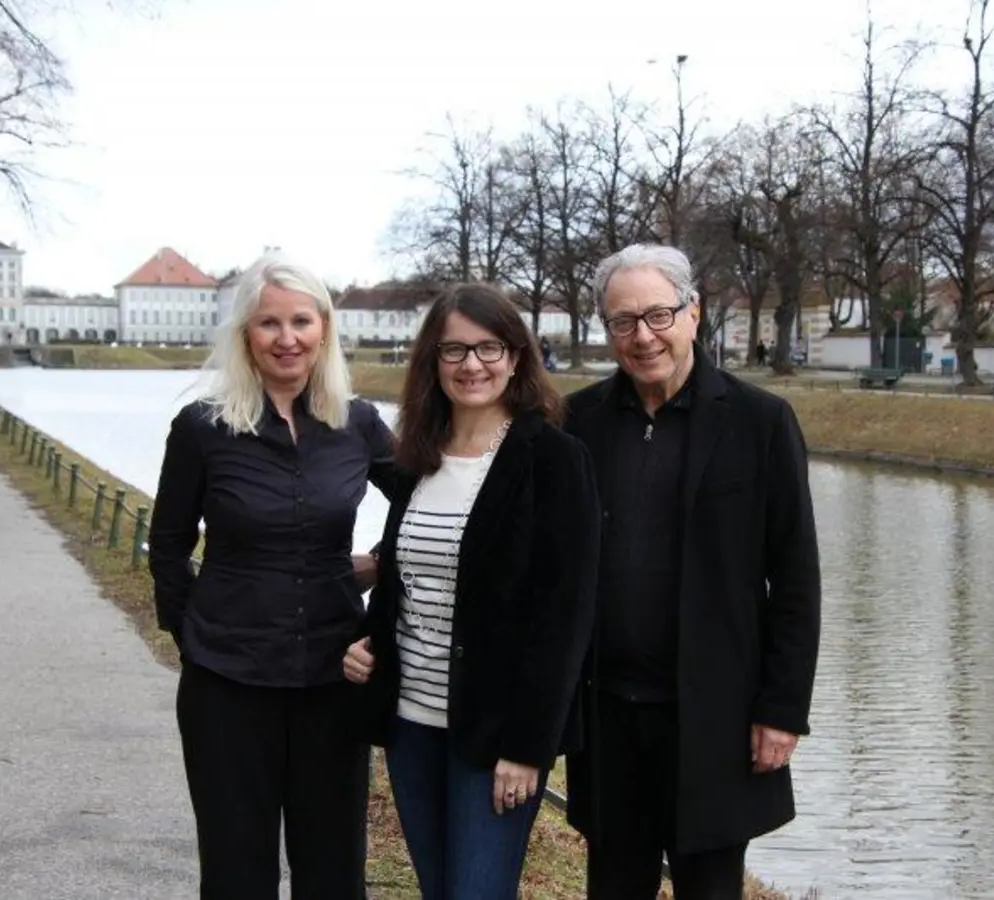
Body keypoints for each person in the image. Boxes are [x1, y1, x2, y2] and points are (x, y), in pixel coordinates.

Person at [563, 244, 822, 899]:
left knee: (709, 887)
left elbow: (795, 577)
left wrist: (782, 710)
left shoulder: (760, 422)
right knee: (613, 885)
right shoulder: (578, 422)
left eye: (658, 315)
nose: (642, 336)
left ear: (693, 314)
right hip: (608, 719)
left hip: (715, 719)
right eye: (623, 321)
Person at [147, 254, 394, 900]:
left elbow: (427, 509)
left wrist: (380, 573)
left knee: (334, 869)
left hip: (333, 681)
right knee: (236, 869)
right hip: (227, 683)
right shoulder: (203, 430)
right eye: (269, 324)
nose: (288, 338)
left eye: (301, 321)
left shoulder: (359, 424)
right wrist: (191, 634)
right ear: (245, 337)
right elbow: (169, 548)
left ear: (324, 328)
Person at [342, 283, 599, 900]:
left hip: (495, 736)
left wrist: (528, 747)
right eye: (453, 350)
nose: (471, 365)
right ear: (433, 361)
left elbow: (564, 618)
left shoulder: (553, 459)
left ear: (515, 357)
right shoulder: (416, 459)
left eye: (488, 348)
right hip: (411, 725)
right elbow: (407, 575)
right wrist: (366, 643)